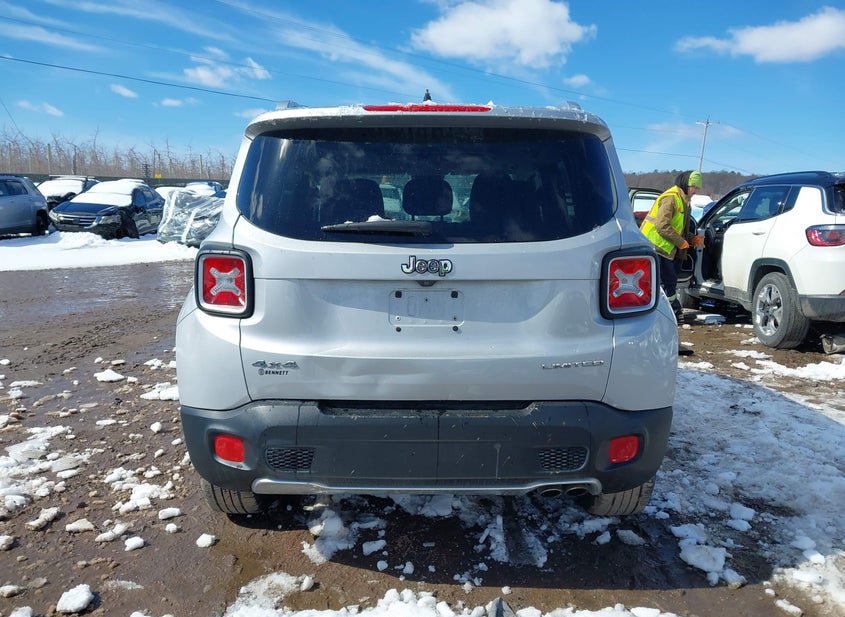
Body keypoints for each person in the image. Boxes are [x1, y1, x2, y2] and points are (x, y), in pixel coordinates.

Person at [640, 170, 704, 327]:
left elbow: (680, 228)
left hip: (667, 247)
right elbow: (662, 226)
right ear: (685, 184)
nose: (695, 191)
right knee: (666, 282)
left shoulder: (684, 201)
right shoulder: (671, 198)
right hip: (655, 245)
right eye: (694, 187)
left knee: (668, 282)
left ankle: (670, 313)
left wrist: (692, 238)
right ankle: (670, 313)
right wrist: (681, 242)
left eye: (697, 188)